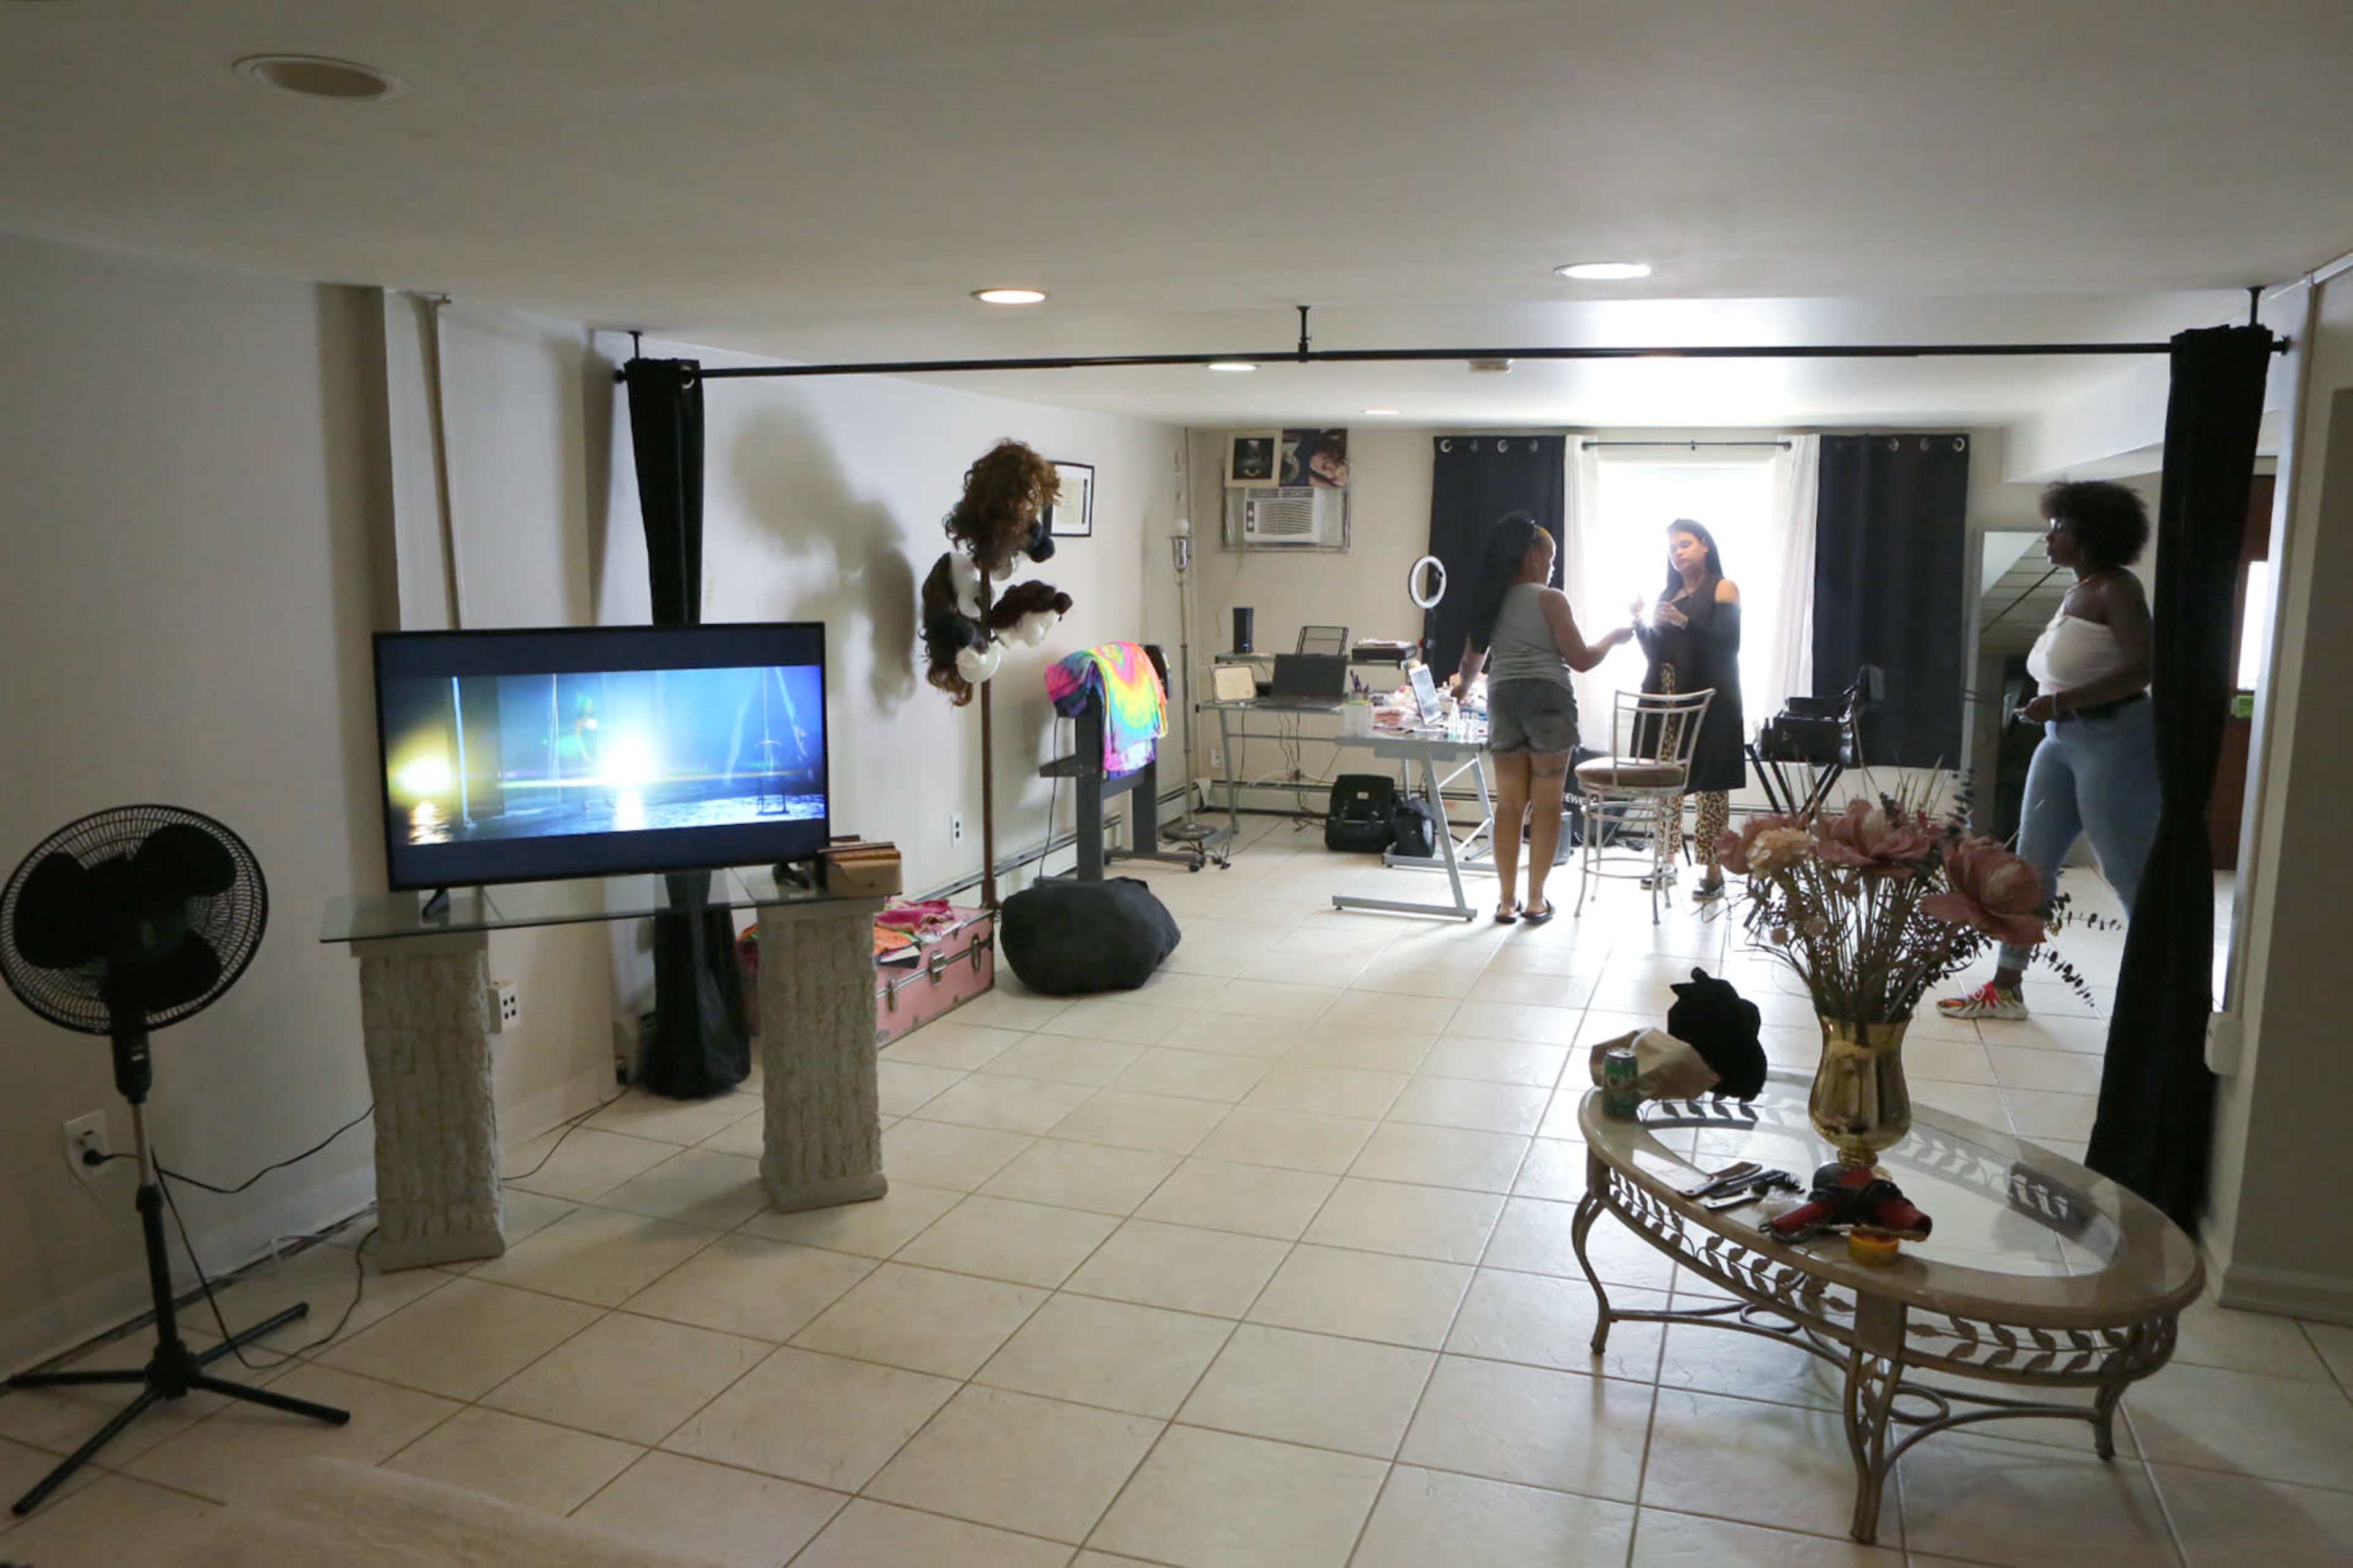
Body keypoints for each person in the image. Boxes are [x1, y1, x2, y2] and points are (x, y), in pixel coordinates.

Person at [1941, 480, 2157, 1021]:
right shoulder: (2076, 590)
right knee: (2030, 870)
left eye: (2057, 527)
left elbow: (2143, 668)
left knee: (2127, 871)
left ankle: (2160, 1002)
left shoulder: (2118, 589)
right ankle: (2006, 989)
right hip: (2061, 740)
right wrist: (2056, 708)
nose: (2048, 537)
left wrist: (2061, 700)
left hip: (2113, 739)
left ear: (2088, 534)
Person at [1453, 512, 1634, 923]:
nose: (1551, 568)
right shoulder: (1550, 599)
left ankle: (1505, 901)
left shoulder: (1492, 600)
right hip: (1549, 701)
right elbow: (1582, 659)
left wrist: (1463, 690)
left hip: (1504, 701)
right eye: (1549, 560)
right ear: (1532, 557)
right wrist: (1615, 638)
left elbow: (1471, 662)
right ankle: (1536, 899)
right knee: (1549, 803)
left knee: (1510, 803)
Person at [1632, 519, 1745, 901]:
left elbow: (1728, 645)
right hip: (1668, 700)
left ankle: (1714, 873)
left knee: (1711, 787)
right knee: (1667, 784)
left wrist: (1683, 620)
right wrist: (1638, 621)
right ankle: (1665, 861)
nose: (1677, 553)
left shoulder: (1724, 588)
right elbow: (1657, 653)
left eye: (1684, 545)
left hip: (1712, 702)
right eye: (1672, 549)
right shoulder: (1670, 592)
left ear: (1705, 546)